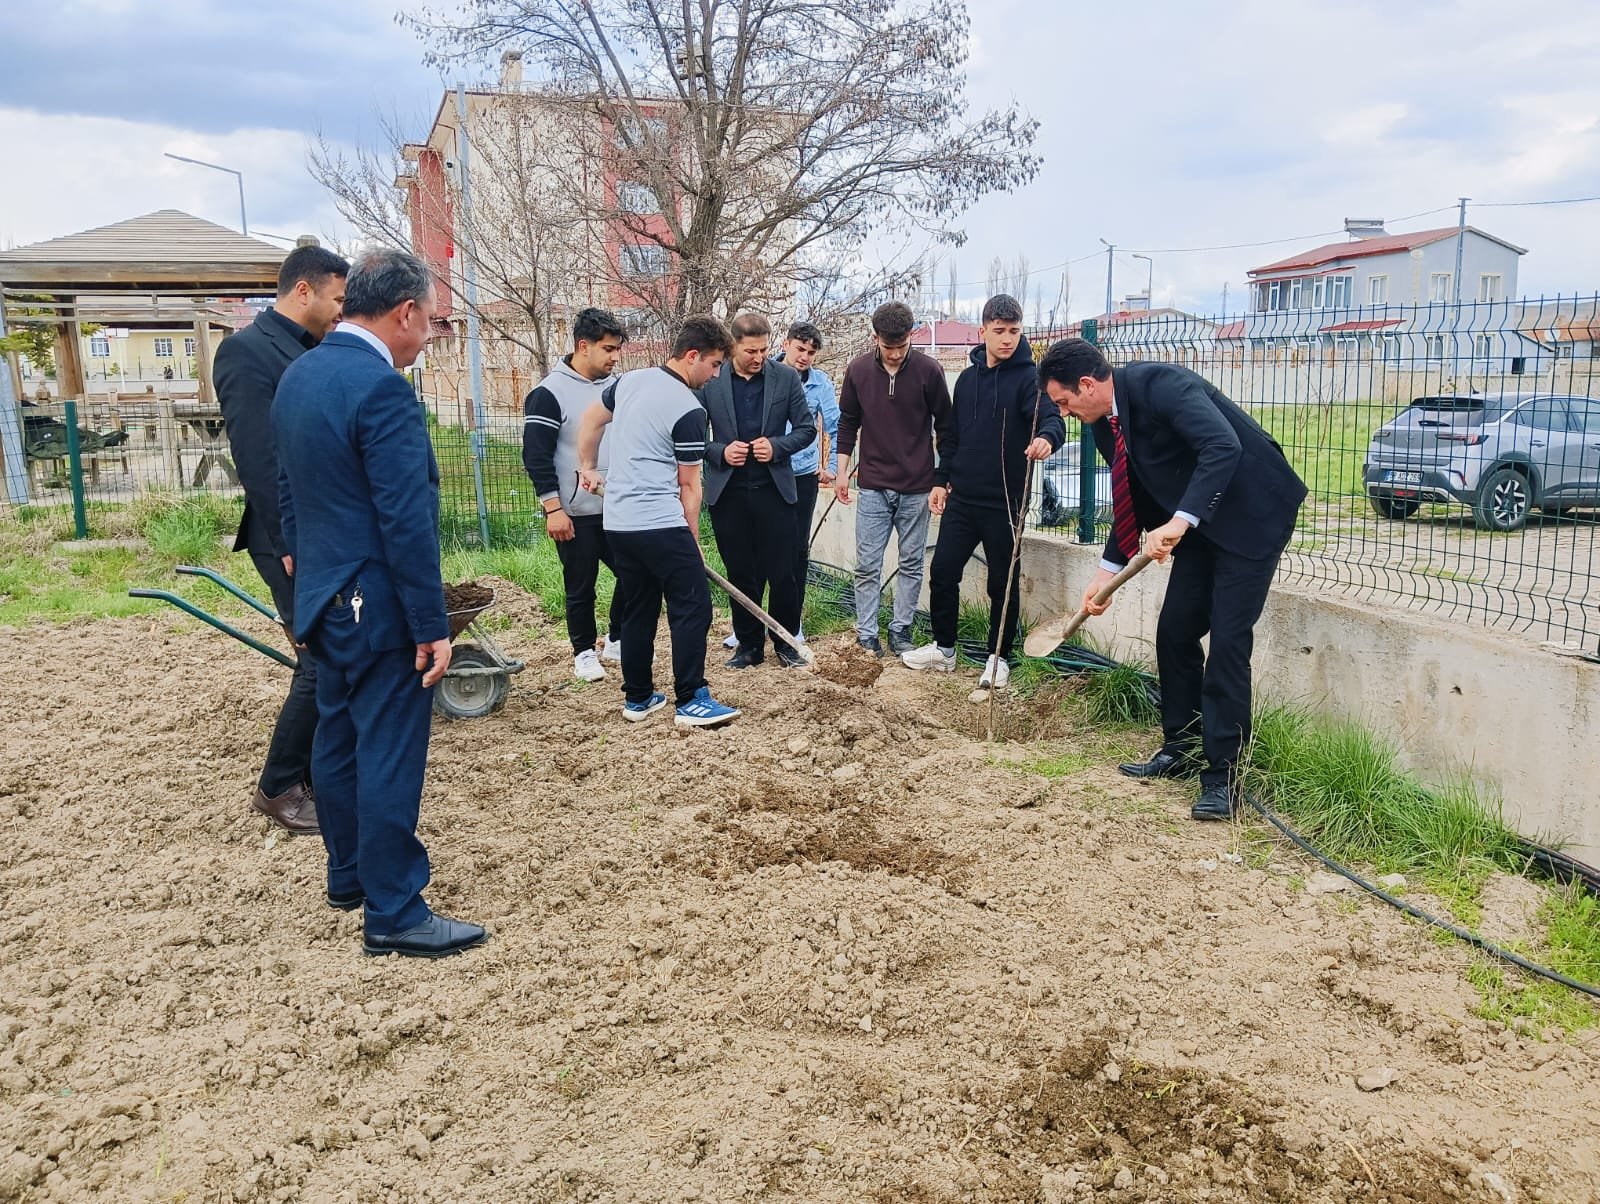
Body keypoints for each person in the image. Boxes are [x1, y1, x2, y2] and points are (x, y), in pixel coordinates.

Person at [274, 248, 486, 958]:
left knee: (336, 736)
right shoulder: (382, 390)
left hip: (325, 596)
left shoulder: (300, 374)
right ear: (403, 313)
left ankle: (350, 876)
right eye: (428, 323)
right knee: (389, 745)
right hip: (376, 600)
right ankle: (394, 910)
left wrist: (305, 578)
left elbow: (286, 487)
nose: (428, 337)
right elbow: (406, 520)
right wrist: (431, 625)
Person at [1037, 338, 1307, 821]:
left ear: (1086, 384)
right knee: (1176, 632)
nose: (1066, 412)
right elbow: (1129, 496)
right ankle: (1179, 747)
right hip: (1202, 524)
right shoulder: (1103, 424)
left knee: (1228, 640)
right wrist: (1105, 575)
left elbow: (1222, 446)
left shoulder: (1163, 386)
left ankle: (1224, 776)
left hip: (1252, 514)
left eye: (1064, 402)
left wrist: (1179, 523)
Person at [214, 243, 349, 835]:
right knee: (319, 661)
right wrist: (291, 537)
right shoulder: (247, 353)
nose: (342, 310)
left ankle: (319, 773)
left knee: (336, 656)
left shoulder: (314, 349)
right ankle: (278, 788)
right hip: (286, 536)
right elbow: (259, 458)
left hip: (322, 529)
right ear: (304, 290)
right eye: (338, 298)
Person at [575, 316, 740, 728]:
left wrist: (587, 466)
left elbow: (591, 421)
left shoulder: (629, 381)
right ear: (691, 356)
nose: (716, 374)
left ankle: (639, 697)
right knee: (692, 605)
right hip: (659, 521)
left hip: (618, 522)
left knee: (638, 607)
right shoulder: (688, 408)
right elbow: (689, 486)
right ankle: (691, 698)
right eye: (715, 364)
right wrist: (693, 538)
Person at [902, 295, 1064, 691]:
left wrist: (1046, 439)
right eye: (999, 331)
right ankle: (944, 649)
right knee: (942, 572)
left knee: (1001, 582)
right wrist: (941, 481)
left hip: (1005, 501)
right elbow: (953, 436)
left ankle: (998, 657)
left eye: (1014, 331)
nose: (1007, 339)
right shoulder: (969, 380)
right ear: (983, 331)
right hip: (964, 498)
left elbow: (1052, 418)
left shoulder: (1029, 379)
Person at [833, 301, 953, 655]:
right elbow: (847, 423)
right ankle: (867, 632)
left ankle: (901, 630)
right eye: (889, 347)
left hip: (917, 486)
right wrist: (842, 471)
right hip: (871, 486)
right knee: (867, 564)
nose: (897, 354)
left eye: (902, 346)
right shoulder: (857, 371)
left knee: (911, 564)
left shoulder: (930, 371)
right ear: (876, 338)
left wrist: (939, 479)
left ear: (911, 336)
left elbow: (945, 426)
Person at [702, 313, 815, 668]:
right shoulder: (711, 380)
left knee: (784, 572)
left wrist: (777, 447)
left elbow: (806, 429)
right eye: (751, 350)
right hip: (728, 493)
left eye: (764, 349)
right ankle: (749, 647)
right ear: (733, 345)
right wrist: (720, 451)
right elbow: (690, 435)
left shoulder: (785, 378)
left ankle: (785, 643)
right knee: (741, 572)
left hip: (774, 491)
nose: (759, 357)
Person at [522, 308, 627, 682]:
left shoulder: (617, 388)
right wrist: (553, 508)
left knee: (635, 575)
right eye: (608, 349)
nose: (615, 357)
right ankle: (583, 651)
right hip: (574, 511)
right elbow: (535, 456)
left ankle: (616, 639)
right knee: (580, 585)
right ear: (583, 346)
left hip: (616, 506)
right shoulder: (549, 393)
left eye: (617, 349)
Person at [778, 321, 840, 639]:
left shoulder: (819, 383)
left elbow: (835, 425)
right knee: (760, 548)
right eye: (800, 349)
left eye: (811, 352)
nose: (804, 357)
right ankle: (748, 622)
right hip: (767, 473)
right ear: (786, 344)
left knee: (797, 549)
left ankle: (792, 620)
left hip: (802, 474)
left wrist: (831, 466)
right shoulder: (765, 374)